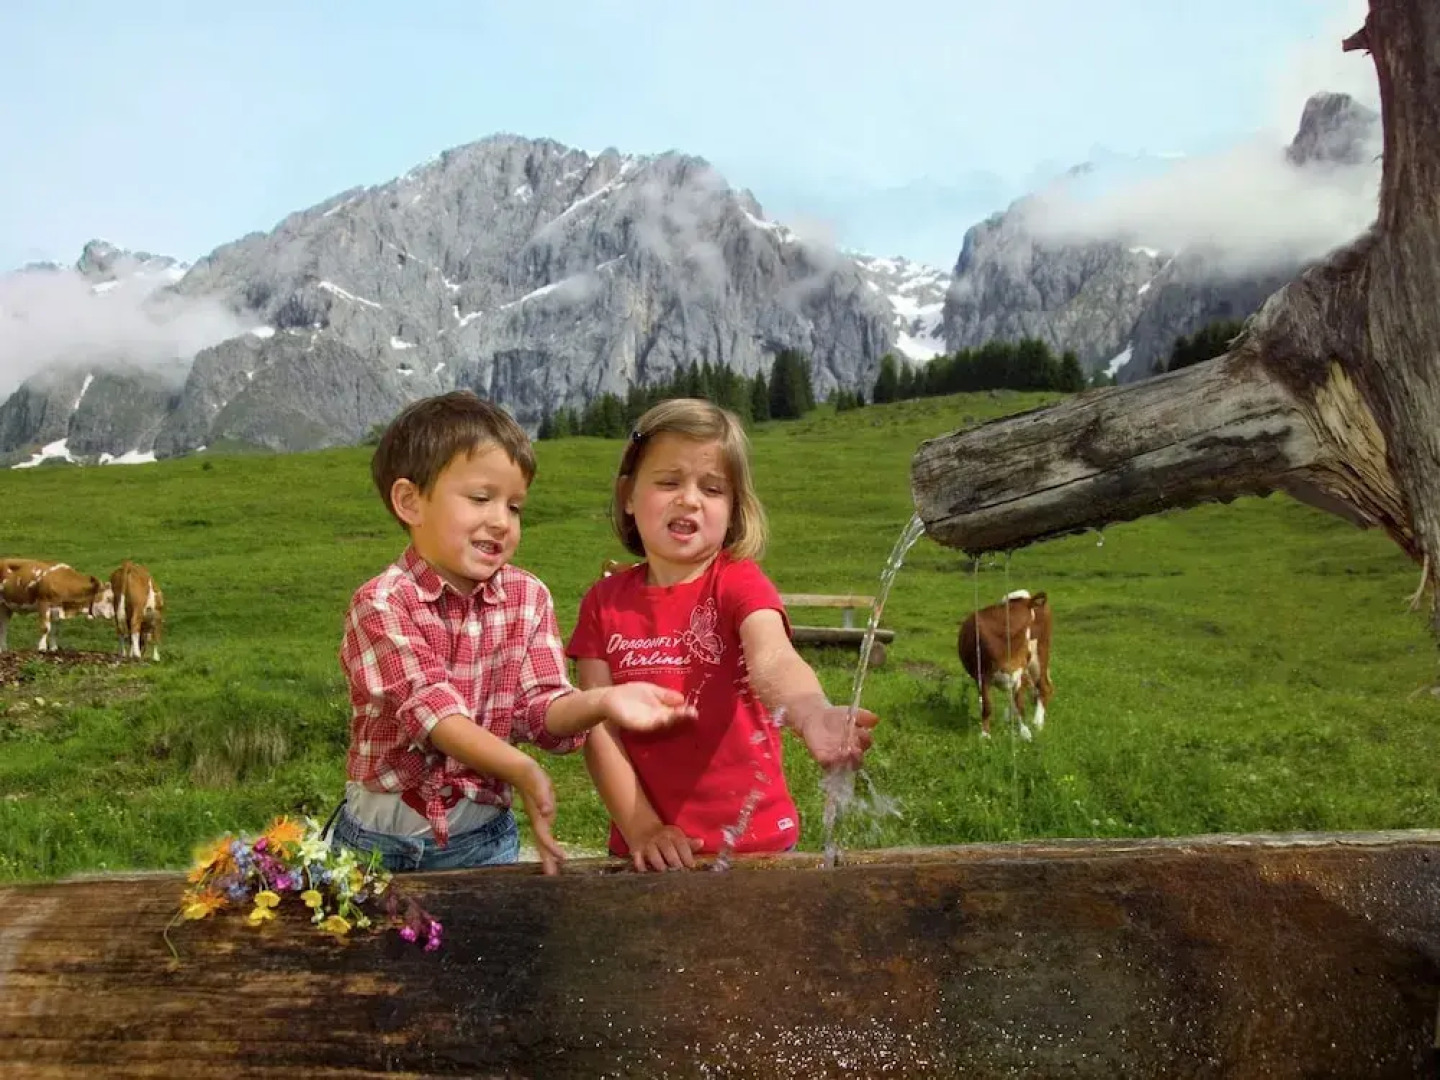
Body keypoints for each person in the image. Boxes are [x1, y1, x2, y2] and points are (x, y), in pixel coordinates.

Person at [334, 390, 696, 875]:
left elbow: (540, 708)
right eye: (481, 498)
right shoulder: (380, 604)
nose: (501, 521)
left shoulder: (528, 598)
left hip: (483, 839)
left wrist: (601, 702)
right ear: (410, 502)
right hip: (381, 846)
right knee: (375, 951)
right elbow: (435, 716)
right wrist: (520, 769)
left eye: (515, 506)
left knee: (493, 950)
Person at [566, 398, 880, 872]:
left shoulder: (739, 582)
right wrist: (642, 829)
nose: (689, 498)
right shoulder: (603, 603)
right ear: (629, 495)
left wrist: (812, 713)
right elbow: (597, 726)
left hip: (756, 849)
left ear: (733, 510)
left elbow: (773, 659)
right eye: (669, 481)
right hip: (649, 853)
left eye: (712, 488)